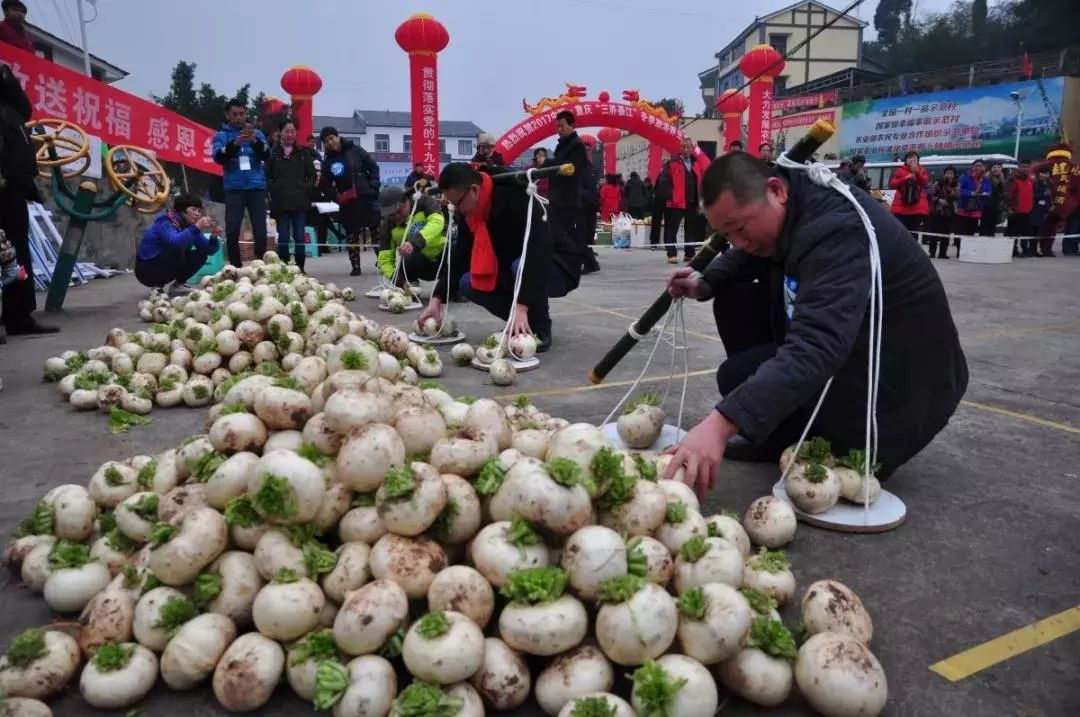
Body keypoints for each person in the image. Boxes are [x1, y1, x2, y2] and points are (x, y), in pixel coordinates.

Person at [663, 152, 968, 494]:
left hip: (899, 383)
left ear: (776, 190)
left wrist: (720, 425)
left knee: (836, 473)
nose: (738, 242)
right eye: (726, 234)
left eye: (739, 228)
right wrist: (706, 280)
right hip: (853, 352)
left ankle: (856, 439)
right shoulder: (792, 205)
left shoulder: (836, 229)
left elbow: (817, 345)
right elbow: (745, 252)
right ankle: (778, 438)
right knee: (735, 368)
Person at [420, 163, 584, 352]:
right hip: (512, 266)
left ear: (474, 190)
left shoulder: (517, 196)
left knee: (520, 266)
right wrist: (437, 299)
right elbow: (460, 257)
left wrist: (522, 305)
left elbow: (538, 253)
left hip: (555, 263)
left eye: (457, 203)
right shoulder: (471, 213)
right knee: (468, 283)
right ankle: (520, 324)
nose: (456, 210)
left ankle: (539, 328)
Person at [0, 62, 56, 338]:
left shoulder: (12, 111)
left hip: (13, 188)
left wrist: (6, 76)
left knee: (16, 251)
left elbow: (25, 107)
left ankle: (19, 315)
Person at [212, 101, 271, 266]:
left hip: (256, 188)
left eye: (242, 114)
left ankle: (260, 265)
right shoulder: (221, 135)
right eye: (235, 114)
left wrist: (254, 141)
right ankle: (235, 267)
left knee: (260, 230)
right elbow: (218, 157)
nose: (239, 118)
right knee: (232, 231)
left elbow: (267, 155)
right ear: (227, 115)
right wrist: (236, 143)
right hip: (234, 189)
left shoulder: (257, 133)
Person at [318, 126, 381, 276]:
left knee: (376, 232)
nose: (331, 143)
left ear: (338, 136)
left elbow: (373, 168)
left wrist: (373, 187)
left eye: (332, 138)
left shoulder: (356, 151)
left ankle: (384, 262)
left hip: (367, 197)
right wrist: (335, 196)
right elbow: (325, 185)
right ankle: (356, 266)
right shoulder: (328, 162)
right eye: (327, 141)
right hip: (348, 203)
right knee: (352, 235)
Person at [134, 194, 221, 295]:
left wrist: (214, 237)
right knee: (177, 248)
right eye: (193, 209)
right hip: (146, 269)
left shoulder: (190, 226)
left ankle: (177, 286)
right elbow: (175, 241)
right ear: (182, 209)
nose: (197, 214)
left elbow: (208, 250)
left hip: (166, 266)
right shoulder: (165, 221)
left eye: (199, 211)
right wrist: (197, 227)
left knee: (201, 254)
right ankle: (157, 287)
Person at [544, 110, 596, 273]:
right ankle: (578, 260)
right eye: (557, 126)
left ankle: (588, 261)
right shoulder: (563, 144)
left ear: (572, 125)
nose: (559, 129)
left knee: (567, 232)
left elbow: (570, 168)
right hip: (558, 194)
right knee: (564, 231)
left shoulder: (576, 145)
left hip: (568, 196)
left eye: (562, 126)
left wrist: (547, 163)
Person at [266, 119, 316, 271]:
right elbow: (267, 176)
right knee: (283, 237)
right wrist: (274, 189)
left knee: (300, 236)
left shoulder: (302, 153)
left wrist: (305, 188)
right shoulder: (272, 153)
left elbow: (312, 175)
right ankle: (284, 267)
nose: (289, 134)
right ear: (280, 133)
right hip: (281, 203)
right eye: (286, 131)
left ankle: (300, 268)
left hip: (300, 202)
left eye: (292, 131)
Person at [376, 185, 446, 286]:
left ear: (407, 202)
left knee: (458, 252)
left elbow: (437, 221)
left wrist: (415, 243)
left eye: (399, 211)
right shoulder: (387, 227)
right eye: (391, 214)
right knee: (406, 260)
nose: (396, 216)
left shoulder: (423, 202)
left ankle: (452, 287)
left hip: (443, 258)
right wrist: (396, 279)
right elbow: (384, 260)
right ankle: (411, 287)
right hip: (421, 265)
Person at [657, 137, 710, 264]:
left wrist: (700, 201)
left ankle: (689, 253)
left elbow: (700, 182)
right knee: (672, 229)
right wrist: (671, 196)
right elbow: (664, 182)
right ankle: (671, 254)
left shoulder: (696, 164)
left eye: (688, 147)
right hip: (676, 202)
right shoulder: (672, 163)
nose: (686, 150)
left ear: (692, 149)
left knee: (691, 229)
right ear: (680, 149)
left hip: (692, 201)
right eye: (683, 147)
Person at [888, 151, 929, 238]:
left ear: (918, 161)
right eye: (909, 158)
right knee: (900, 231)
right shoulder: (899, 171)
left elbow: (924, 182)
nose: (912, 160)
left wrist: (917, 172)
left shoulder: (922, 170)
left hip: (917, 206)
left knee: (914, 233)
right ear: (905, 160)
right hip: (901, 205)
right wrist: (906, 178)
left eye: (914, 158)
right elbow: (893, 184)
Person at [956, 159, 991, 255]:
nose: (978, 168)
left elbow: (989, 192)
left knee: (971, 231)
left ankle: (967, 251)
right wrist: (971, 193)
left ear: (984, 168)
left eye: (980, 166)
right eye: (976, 166)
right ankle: (960, 250)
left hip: (977, 209)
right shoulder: (965, 177)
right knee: (961, 231)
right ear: (972, 167)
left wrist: (985, 194)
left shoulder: (986, 180)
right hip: (964, 207)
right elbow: (960, 191)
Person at [927, 166, 958, 259]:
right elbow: (930, 195)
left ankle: (943, 253)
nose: (949, 175)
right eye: (947, 173)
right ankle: (932, 252)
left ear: (954, 175)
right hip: (937, 211)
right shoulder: (938, 183)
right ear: (944, 174)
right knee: (934, 233)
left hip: (949, 212)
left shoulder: (956, 185)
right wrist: (939, 200)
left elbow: (957, 196)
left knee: (946, 233)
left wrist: (951, 190)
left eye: (951, 173)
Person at [1005, 159, 1034, 258]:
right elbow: (1007, 194)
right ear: (1019, 167)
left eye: (1027, 167)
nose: (1025, 169)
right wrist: (1009, 208)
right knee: (1013, 232)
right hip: (1015, 211)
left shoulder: (1031, 180)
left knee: (1025, 232)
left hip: (1027, 211)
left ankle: (1025, 250)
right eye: (1023, 167)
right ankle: (1012, 250)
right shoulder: (1012, 179)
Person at [980, 162, 1007, 236]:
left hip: (996, 207)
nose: (996, 169)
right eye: (994, 167)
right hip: (987, 207)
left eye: (998, 167)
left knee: (992, 228)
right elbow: (983, 191)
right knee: (984, 228)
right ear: (991, 169)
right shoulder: (986, 178)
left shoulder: (1002, 180)